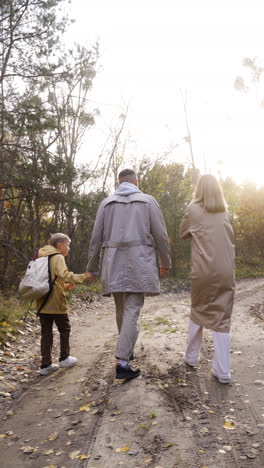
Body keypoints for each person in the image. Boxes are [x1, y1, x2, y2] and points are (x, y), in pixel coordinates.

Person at [86, 168, 171, 380]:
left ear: (119, 182)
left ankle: (127, 349)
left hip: (113, 262)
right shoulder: (148, 201)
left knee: (121, 308)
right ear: (136, 182)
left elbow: (95, 238)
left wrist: (92, 267)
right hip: (139, 262)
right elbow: (161, 235)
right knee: (133, 309)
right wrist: (165, 262)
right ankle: (123, 361)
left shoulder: (106, 203)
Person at [180, 174, 235, 384]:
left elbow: (183, 233)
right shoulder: (225, 211)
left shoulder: (193, 209)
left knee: (198, 309)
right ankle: (223, 371)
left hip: (202, 270)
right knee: (222, 319)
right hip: (225, 270)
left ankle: (192, 357)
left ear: (199, 189)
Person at [37, 233, 89, 376]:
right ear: (59, 244)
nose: (68, 248)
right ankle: (64, 358)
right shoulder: (58, 257)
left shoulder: (41, 256)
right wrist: (84, 277)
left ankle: (45, 365)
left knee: (46, 333)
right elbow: (64, 274)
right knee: (64, 329)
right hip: (56, 302)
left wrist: (65, 287)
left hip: (42, 301)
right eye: (67, 244)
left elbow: (50, 280)